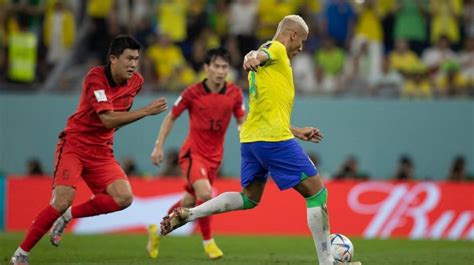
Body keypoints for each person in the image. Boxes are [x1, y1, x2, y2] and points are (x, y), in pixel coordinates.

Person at [158, 15, 361, 265]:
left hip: (252, 140)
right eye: (303, 41)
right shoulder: (276, 49)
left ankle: (190, 214)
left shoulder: (270, 55)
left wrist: (297, 131)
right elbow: (259, 55)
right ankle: (327, 262)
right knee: (317, 193)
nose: (302, 48)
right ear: (293, 35)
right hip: (273, 139)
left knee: (249, 198)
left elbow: (267, 103)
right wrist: (251, 56)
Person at [10, 35, 168, 265]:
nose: (134, 64)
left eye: (136, 59)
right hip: (75, 145)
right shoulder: (95, 78)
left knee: (124, 198)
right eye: (129, 59)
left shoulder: (137, 82)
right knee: (62, 200)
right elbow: (107, 119)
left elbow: (113, 121)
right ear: (113, 59)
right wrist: (145, 111)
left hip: (101, 151)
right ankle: (20, 255)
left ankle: (68, 216)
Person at [147, 48, 246, 260]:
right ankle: (208, 242)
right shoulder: (192, 92)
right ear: (206, 68)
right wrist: (158, 146)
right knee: (205, 195)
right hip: (193, 154)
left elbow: (242, 122)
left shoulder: (235, 94)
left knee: (189, 202)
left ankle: (156, 231)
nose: (220, 71)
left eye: (224, 67)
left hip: (215, 158)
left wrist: (247, 140)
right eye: (216, 66)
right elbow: (171, 117)